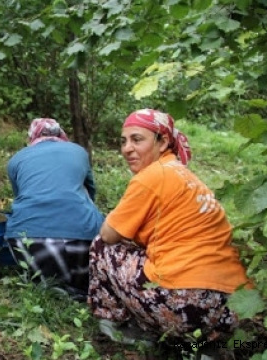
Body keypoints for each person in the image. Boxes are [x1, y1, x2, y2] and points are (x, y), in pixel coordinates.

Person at [89, 109, 252, 349]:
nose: (126, 149)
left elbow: (109, 234)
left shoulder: (150, 177)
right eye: (123, 141)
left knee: (102, 246)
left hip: (185, 304)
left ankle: (118, 325)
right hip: (235, 306)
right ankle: (213, 345)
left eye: (137, 139)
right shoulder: (185, 175)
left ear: (163, 141)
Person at [5, 118, 104, 300]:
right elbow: (90, 190)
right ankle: (79, 283)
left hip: (28, 241)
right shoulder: (79, 152)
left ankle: (47, 283)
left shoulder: (16, 159)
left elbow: (21, 196)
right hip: (82, 241)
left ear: (32, 136)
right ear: (60, 134)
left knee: (13, 220)